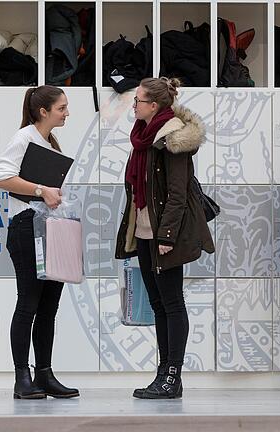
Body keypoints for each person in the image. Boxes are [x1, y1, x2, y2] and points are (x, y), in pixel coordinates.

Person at [115, 77, 215, 399]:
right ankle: (163, 375)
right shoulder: (143, 138)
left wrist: (167, 236)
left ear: (154, 106)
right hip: (144, 232)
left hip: (163, 235)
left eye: (138, 101)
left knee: (172, 303)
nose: (134, 105)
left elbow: (177, 194)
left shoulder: (172, 139)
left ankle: (173, 375)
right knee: (158, 304)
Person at [0, 85, 79, 400]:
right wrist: (42, 189)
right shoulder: (24, 138)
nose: (67, 113)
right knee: (28, 302)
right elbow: (2, 177)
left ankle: (45, 373)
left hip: (50, 227)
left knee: (48, 307)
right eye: (62, 108)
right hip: (27, 227)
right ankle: (22, 378)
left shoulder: (48, 143)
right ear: (43, 111)